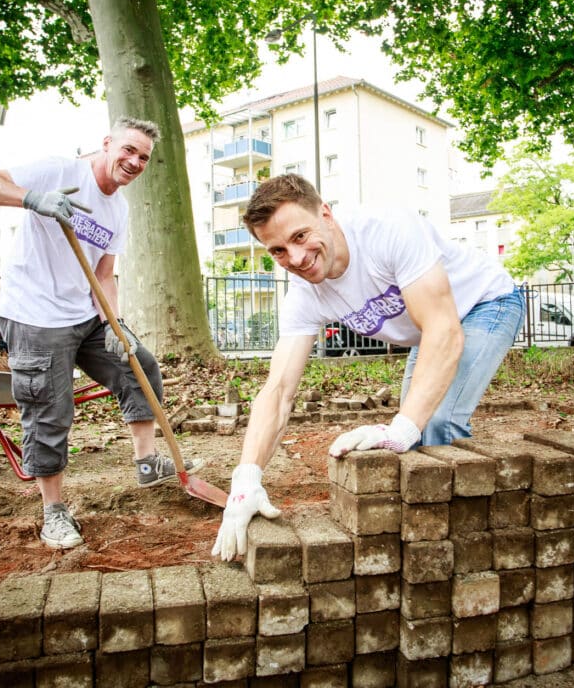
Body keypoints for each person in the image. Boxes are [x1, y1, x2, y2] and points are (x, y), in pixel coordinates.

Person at [212, 174, 525, 561]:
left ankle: (463, 549)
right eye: (277, 250)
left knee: (435, 423)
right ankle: (424, 536)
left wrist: (403, 427)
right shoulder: (304, 295)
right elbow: (278, 392)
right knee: (417, 434)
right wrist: (246, 477)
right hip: (430, 330)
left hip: (484, 303)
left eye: (300, 236)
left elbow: (444, 331)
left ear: (326, 214)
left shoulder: (387, 231)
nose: (296, 259)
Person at [0, 117, 203, 550]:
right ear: (107, 143)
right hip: (35, 315)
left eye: (144, 157)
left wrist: (115, 323)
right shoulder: (59, 171)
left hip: (84, 314)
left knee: (139, 366)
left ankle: (147, 463)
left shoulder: (118, 209)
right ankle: (53, 511)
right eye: (128, 150)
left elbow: (104, 273)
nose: (134, 161)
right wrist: (32, 199)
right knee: (50, 410)